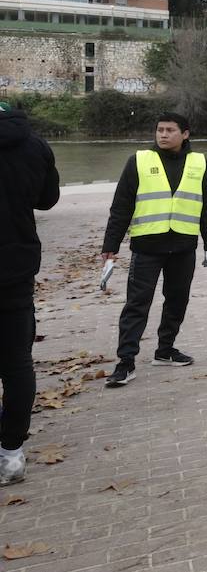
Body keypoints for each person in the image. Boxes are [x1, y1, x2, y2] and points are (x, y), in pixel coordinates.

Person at [100, 112, 207, 388]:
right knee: (136, 305)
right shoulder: (139, 161)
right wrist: (111, 246)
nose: (163, 135)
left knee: (177, 301)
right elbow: (121, 208)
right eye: (159, 130)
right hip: (147, 247)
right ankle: (125, 362)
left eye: (170, 130)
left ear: (185, 134)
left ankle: (165, 350)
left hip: (183, 246)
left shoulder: (198, 162)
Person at [0, 102, 61, 486]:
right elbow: (48, 198)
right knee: (17, 362)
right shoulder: (34, 144)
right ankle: (11, 452)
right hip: (15, 267)